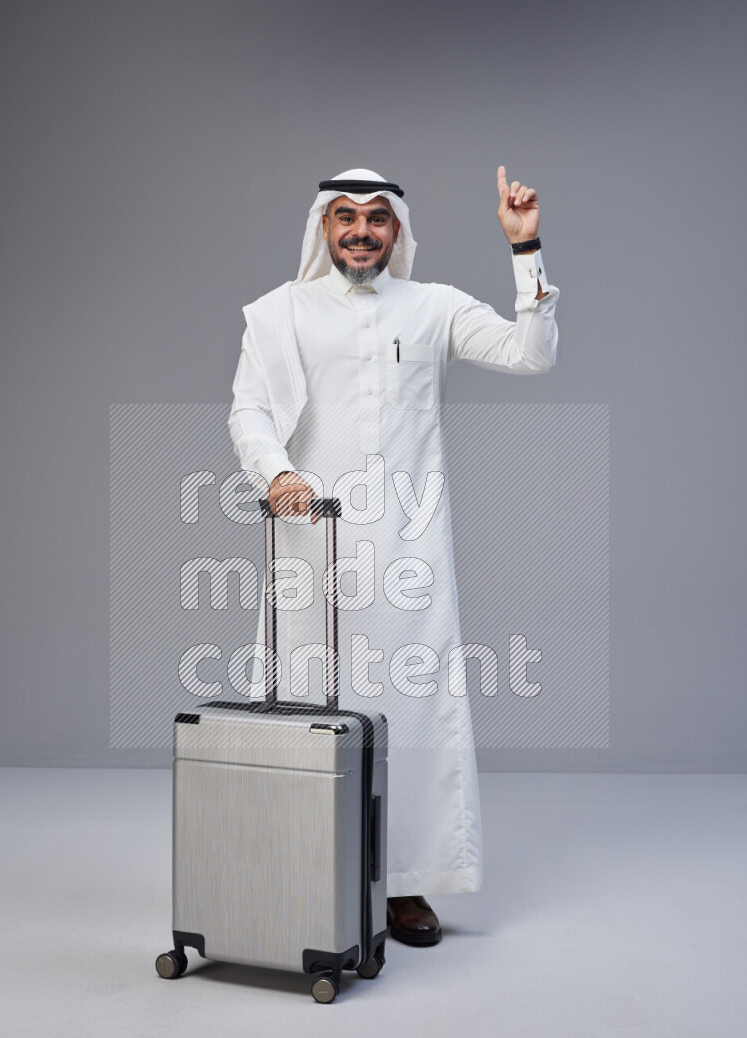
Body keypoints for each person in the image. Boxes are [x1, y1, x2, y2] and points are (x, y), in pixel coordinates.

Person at [228, 167, 559, 946]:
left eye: (377, 218)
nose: (361, 231)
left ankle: (404, 883)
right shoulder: (281, 313)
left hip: (411, 551)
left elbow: (532, 353)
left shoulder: (433, 306)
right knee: (303, 706)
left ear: (398, 230)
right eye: (345, 216)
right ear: (323, 227)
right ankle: (299, 868)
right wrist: (275, 473)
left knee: (412, 710)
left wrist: (526, 248)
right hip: (311, 546)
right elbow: (247, 407)